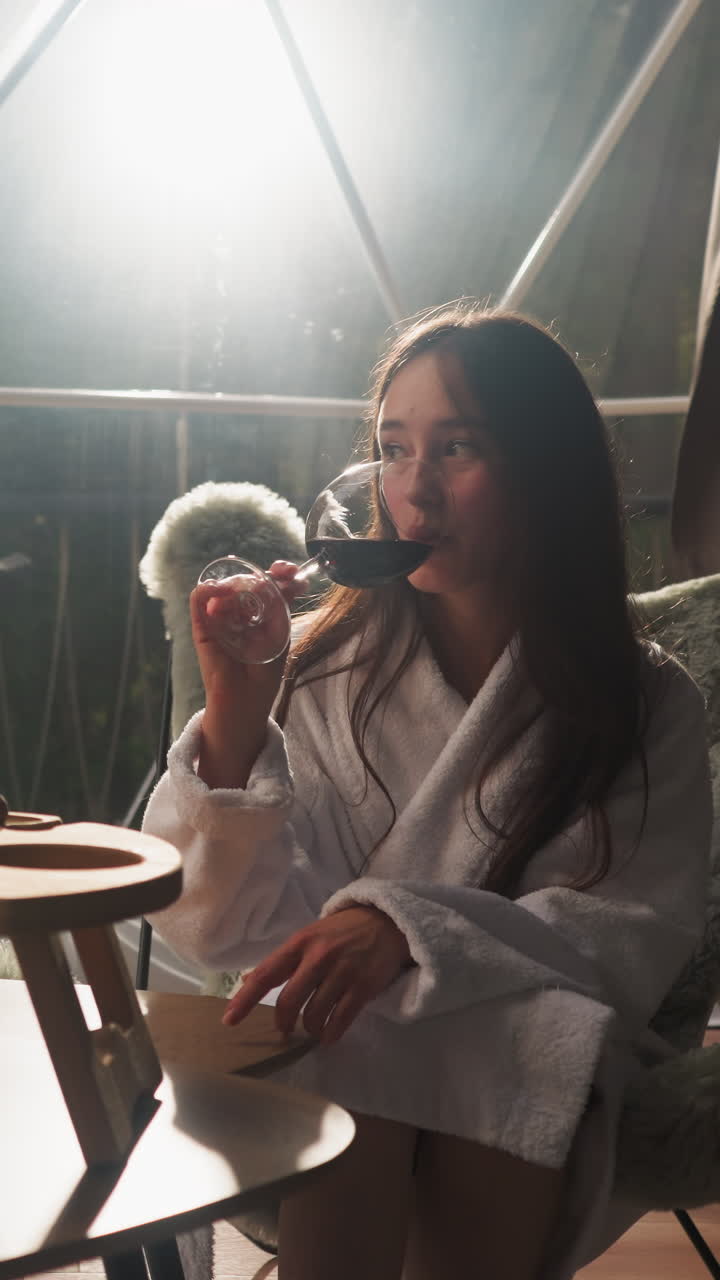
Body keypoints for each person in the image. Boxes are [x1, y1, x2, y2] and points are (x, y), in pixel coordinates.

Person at [142, 306, 713, 1280]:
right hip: (338, 1040)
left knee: (517, 1028)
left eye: (458, 447)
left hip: (533, 1045)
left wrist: (406, 932)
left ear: (548, 469)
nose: (414, 487)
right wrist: (237, 719)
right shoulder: (322, 666)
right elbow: (228, 929)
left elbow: (627, 934)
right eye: (395, 448)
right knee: (358, 1030)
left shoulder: (646, 702)